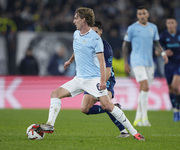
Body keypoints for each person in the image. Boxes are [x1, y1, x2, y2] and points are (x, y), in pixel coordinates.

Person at [34, 7, 145, 141]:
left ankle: (134, 133)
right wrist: (70, 60)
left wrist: (103, 81)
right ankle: (50, 125)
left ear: (83, 19)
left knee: (108, 106)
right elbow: (78, 48)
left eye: (76, 18)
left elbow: (101, 61)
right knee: (55, 94)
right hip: (79, 79)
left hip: (94, 80)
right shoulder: (76, 34)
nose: (74, 20)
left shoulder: (95, 39)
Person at [81, 21, 129, 138]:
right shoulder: (86, 46)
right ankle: (114, 108)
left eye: (96, 32)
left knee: (105, 104)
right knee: (85, 109)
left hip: (105, 79)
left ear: (101, 32)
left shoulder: (106, 48)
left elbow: (107, 72)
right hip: (92, 80)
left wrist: (100, 83)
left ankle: (124, 131)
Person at [122, 6, 168, 127]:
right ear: (137, 16)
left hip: (149, 63)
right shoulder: (132, 28)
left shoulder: (153, 27)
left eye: (144, 13)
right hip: (136, 61)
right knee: (145, 87)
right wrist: (125, 62)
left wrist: (163, 53)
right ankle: (145, 118)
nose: (142, 15)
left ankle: (138, 118)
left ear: (148, 15)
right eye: (139, 14)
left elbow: (156, 43)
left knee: (143, 90)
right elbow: (125, 45)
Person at [159, 17, 180, 122]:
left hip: (179, 64)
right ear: (166, 24)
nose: (170, 24)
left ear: (176, 24)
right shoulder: (163, 36)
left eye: (172, 22)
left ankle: (178, 109)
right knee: (171, 89)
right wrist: (164, 53)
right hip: (168, 65)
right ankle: (175, 110)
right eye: (168, 22)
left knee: (175, 86)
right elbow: (157, 50)